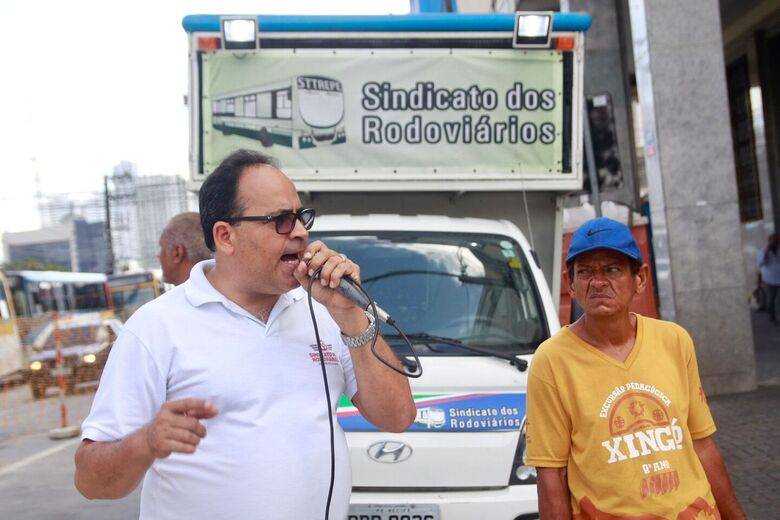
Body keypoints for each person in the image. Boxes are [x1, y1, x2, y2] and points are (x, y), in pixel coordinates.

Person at [74, 149, 416, 519]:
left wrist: (351, 317)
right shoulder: (155, 327)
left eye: (301, 217)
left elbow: (396, 417)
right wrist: (146, 442)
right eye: (280, 220)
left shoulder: (324, 311)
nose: (300, 232)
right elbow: (91, 482)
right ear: (225, 236)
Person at [526, 217, 745, 520]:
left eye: (612, 269)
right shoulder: (551, 361)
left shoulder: (674, 340)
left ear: (639, 279)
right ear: (570, 284)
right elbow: (551, 473)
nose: (598, 282)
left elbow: (702, 445)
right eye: (585, 271)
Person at [158, 211, 213, 286]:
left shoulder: (173, 297)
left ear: (177, 253)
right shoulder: (226, 293)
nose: (158, 255)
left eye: (162, 246)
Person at [757, 233, 780, 325]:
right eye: (773, 241)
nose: (775, 243)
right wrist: (766, 252)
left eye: (777, 241)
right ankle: (772, 318)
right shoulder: (763, 251)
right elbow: (760, 263)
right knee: (771, 300)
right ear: (770, 241)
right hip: (770, 280)